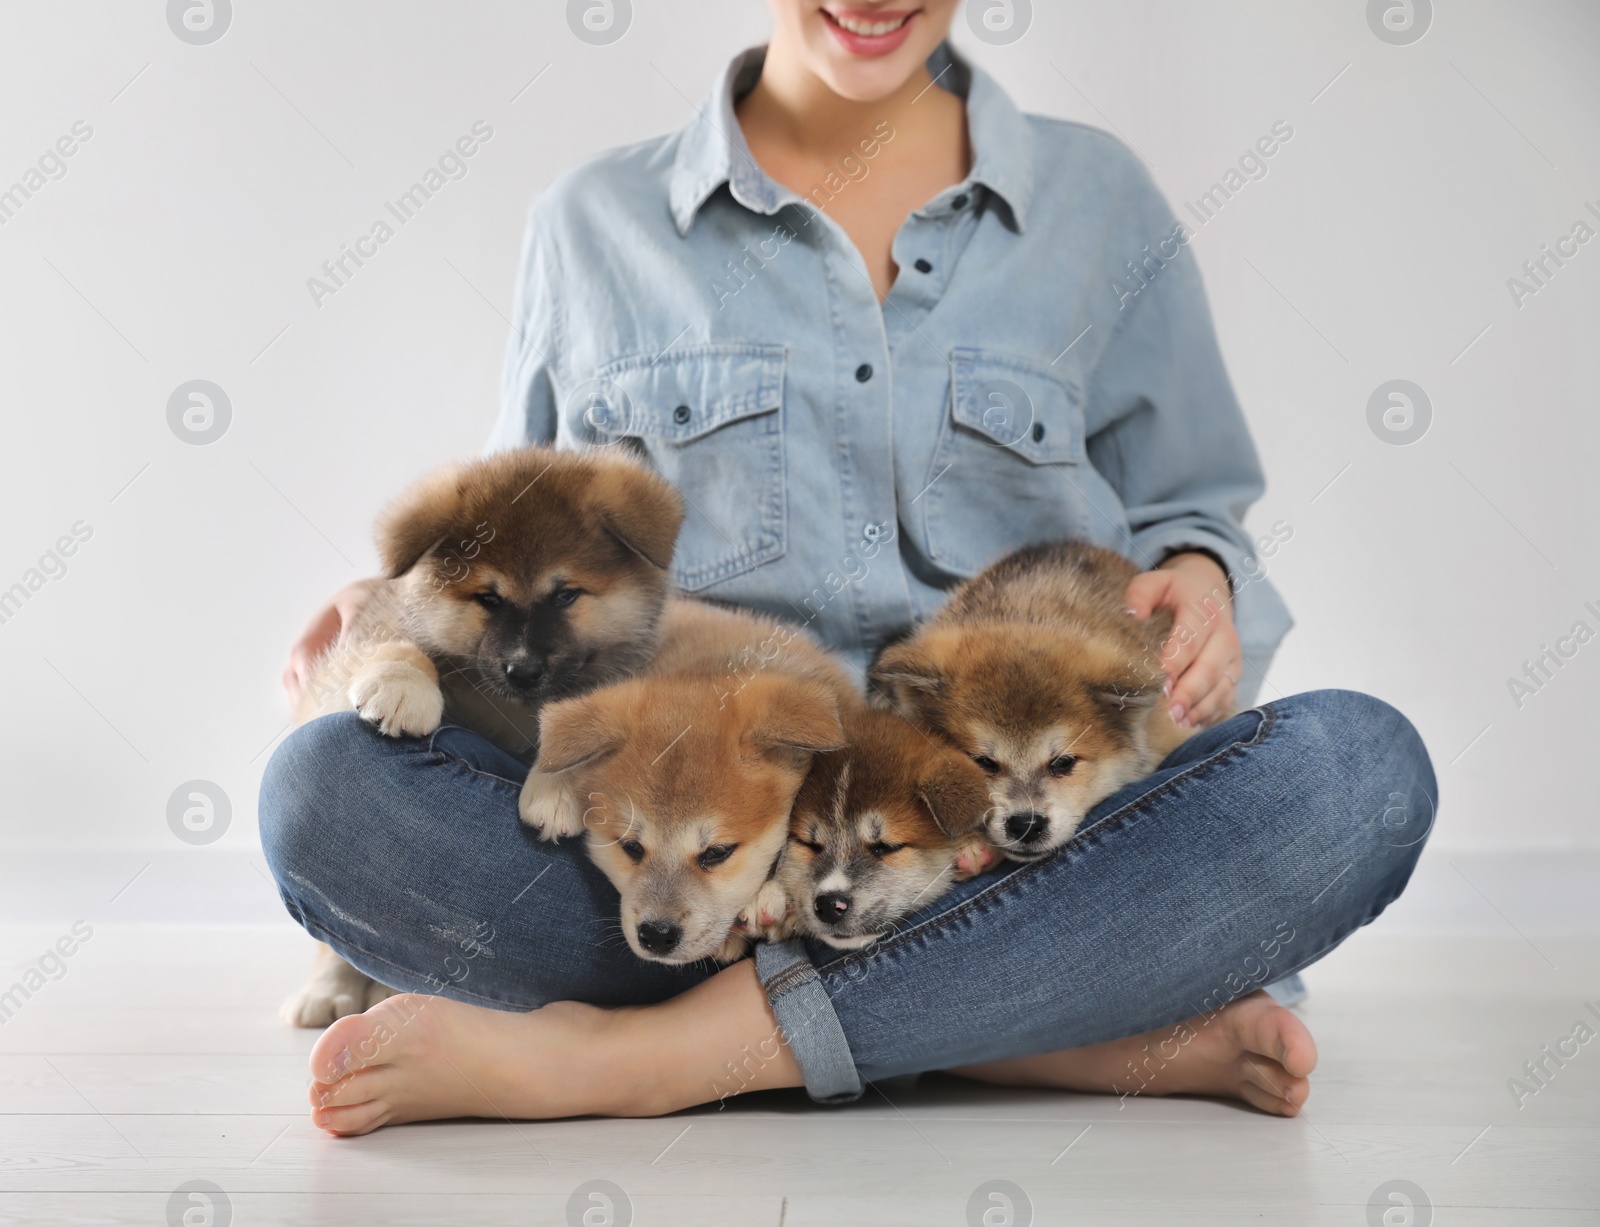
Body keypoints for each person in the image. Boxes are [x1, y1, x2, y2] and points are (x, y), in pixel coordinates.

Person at [263, 0, 1435, 1136]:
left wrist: (1200, 579)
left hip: (1008, 842)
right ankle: (1028, 1028)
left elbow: (1193, 512)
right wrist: (400, 612)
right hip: (694, 873)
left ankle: (646, 1058)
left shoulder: (1100, 203)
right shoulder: (592, 224)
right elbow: (521, 551)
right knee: (323, 795)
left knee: (1357, 769)